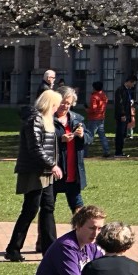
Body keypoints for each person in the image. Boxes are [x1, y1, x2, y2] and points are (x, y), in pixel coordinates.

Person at [5, 89, 64, 261]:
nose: (57, 108)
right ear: (50, 104)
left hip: (45, 171)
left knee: (48, 208)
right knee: (30, 209)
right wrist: (52, 164)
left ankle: (50, 249)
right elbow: (35, 148)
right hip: (34, 172)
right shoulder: (34, 120)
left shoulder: (47, 120)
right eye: (56, 105)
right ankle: (13, 249)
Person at [31, 203, 106, 275]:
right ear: (78, 226)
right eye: (92, 228)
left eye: (100, 229)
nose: (96, 233)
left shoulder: (92, 246)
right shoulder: (66, 247)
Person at [52, 88, 87, 216]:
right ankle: (46, 230)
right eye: (62, 102)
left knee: (78, 209)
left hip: (73, 170)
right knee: (48, 206)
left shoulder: (76, 119)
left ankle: (80, 229)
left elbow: (89, 138)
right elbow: (41, 141)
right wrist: (60, 139)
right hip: (55, 170)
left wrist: (82, 135)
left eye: (68, 103)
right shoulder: (48, 119)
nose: (65, 106)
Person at [112, 76, 136, 158]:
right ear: (129, 81)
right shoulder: (120, 90)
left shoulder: (127, 90)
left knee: (123, 134)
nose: (133, 86)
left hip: (126, 115)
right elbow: (119, 103)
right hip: (122, 116)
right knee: (120, 133)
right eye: (133, 83)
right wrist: (122, 114)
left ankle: (120, 151)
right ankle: (118, 152)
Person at [84, 82, 109, 158]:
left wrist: (87, 109)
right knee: (102, 136)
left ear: (94, 88)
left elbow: (93, 109)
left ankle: (85, 153)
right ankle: (106, 151)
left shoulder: (94, 96)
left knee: (89, 135)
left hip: (93, 118)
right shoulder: (104, 95)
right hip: (101, 117)